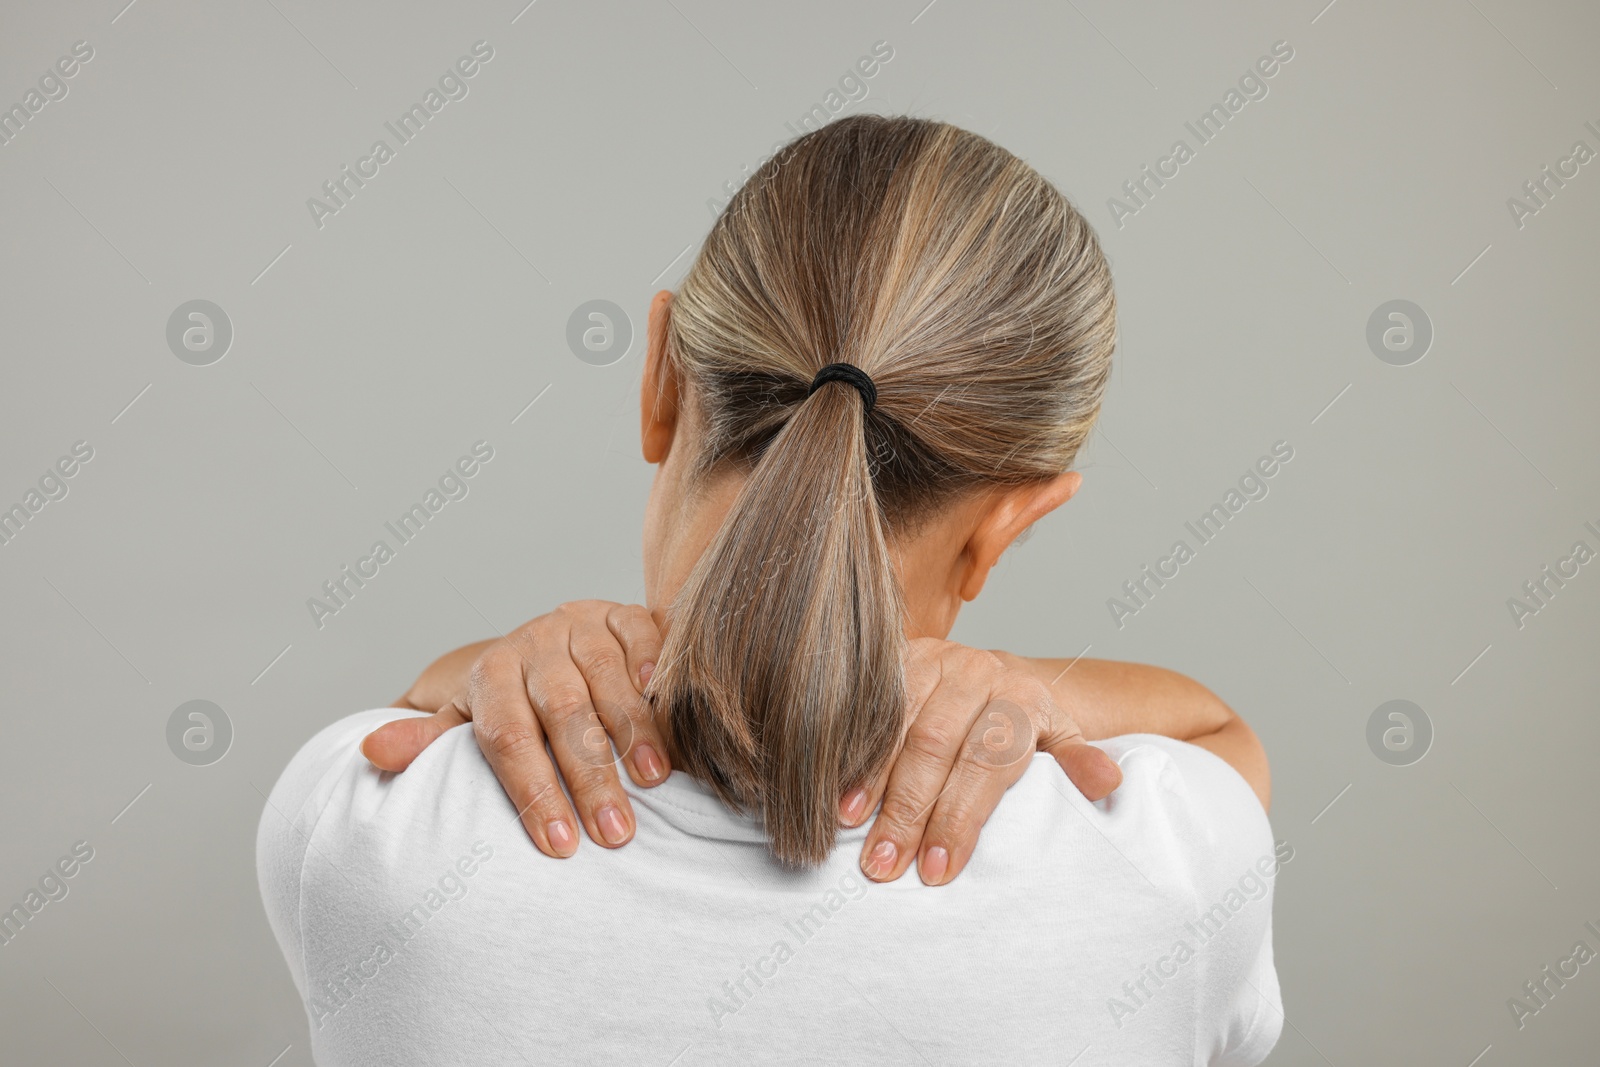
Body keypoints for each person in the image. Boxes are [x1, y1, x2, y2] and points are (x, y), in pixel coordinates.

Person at [259, 115, 1282, 1065]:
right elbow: (1219, 734)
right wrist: (1024, 686)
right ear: (1008, 520)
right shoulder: (1160, 860)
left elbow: (400, 731)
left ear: (661, 378)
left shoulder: (370, 836)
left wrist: (486, 671)